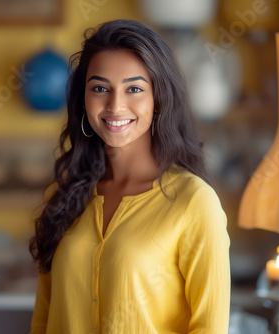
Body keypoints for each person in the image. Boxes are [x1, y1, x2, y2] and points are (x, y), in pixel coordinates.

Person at [29, 19, 230, 334]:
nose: (115, 105)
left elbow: (209, 328)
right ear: (83, 98)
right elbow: (43, 319)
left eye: (134, 89)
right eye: (100, 88)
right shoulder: (62, 196)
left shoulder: (195, 203)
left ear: (158, 98)